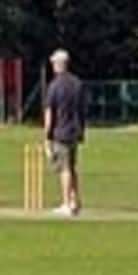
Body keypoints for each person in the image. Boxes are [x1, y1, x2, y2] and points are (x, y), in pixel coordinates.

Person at [43, 48, 85, 218]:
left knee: (64, 169)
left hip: (60, 132)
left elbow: (49, 113)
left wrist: (46, 136)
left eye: (54, 63)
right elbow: (81, 110)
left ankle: (67, 203)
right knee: (72, 167)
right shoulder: (77, 83)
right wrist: (82, 131)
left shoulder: (54, 85)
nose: (53, 66)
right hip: (75, 130)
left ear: (60, 64)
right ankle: (75, 201)